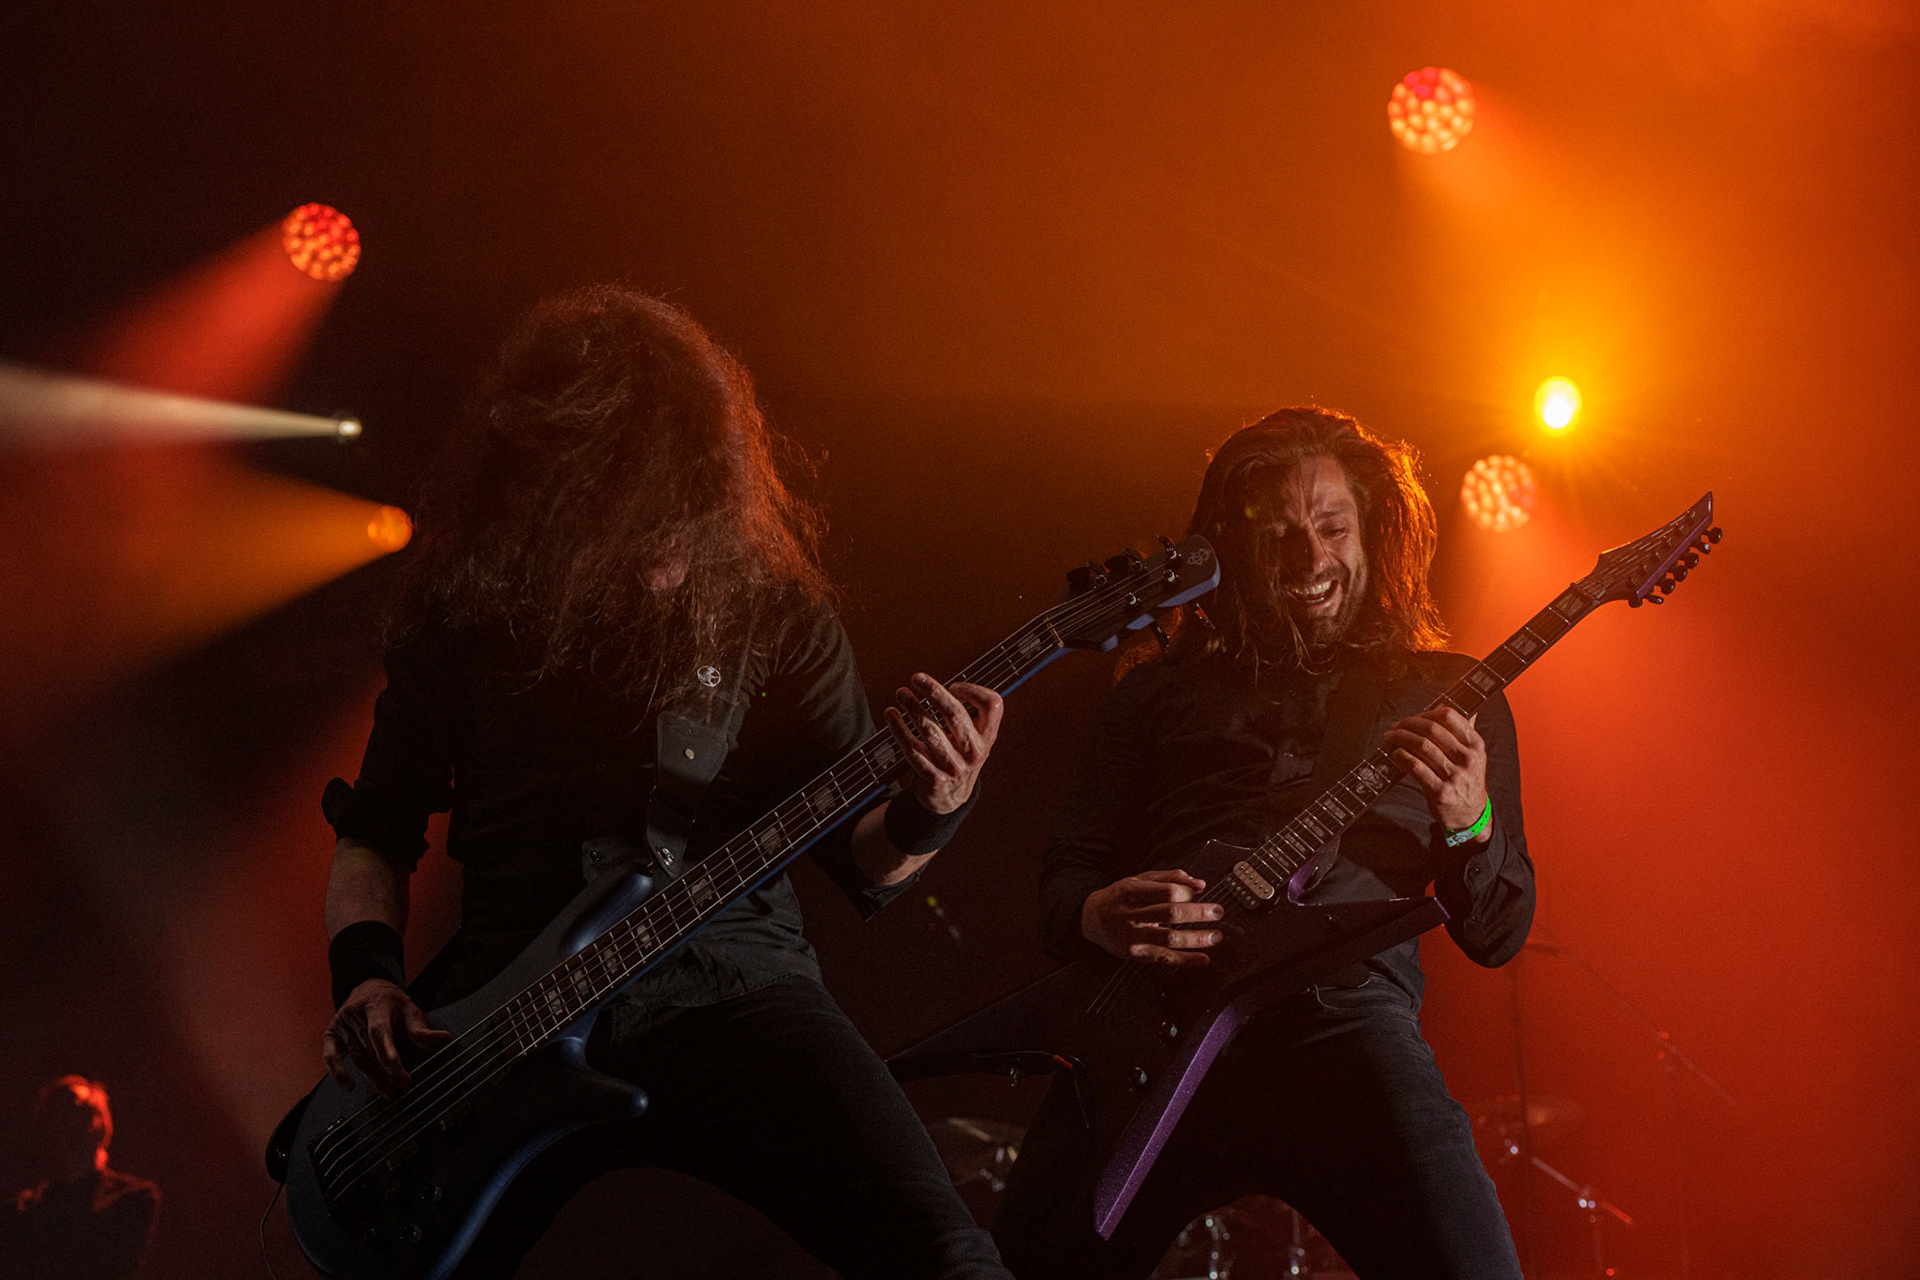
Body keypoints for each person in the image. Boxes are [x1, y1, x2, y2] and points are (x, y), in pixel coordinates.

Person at [316, 285, 1013, 1278]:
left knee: (945, 1256)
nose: (670, 545)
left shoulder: (778, 619)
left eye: (689, 508)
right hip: (504, 1017)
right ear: (554, 495)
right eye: (637, 516)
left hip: (732, 988)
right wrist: (369, 978)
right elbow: (373, 835)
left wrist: (935, 807)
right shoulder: (464, 616)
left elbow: (866, 866)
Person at [993, 407, 1533, 1279]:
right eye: (1280, 535)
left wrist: (1469, 819)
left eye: (1332, 528)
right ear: (1233, 548)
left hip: (1347, 1032)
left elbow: (1498, 931)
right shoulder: (1153, 697)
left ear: (1372, 530)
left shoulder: (1448, 694)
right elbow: (1063, 884)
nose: (1310, 560)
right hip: (1155, 1038)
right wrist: (1099, 915)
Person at [3, 1075, 160, 1279]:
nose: (63, 1123)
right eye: (56, 1113)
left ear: (99, 1125)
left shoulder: (133, 1198)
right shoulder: (22, 1210)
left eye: (75, 1110)